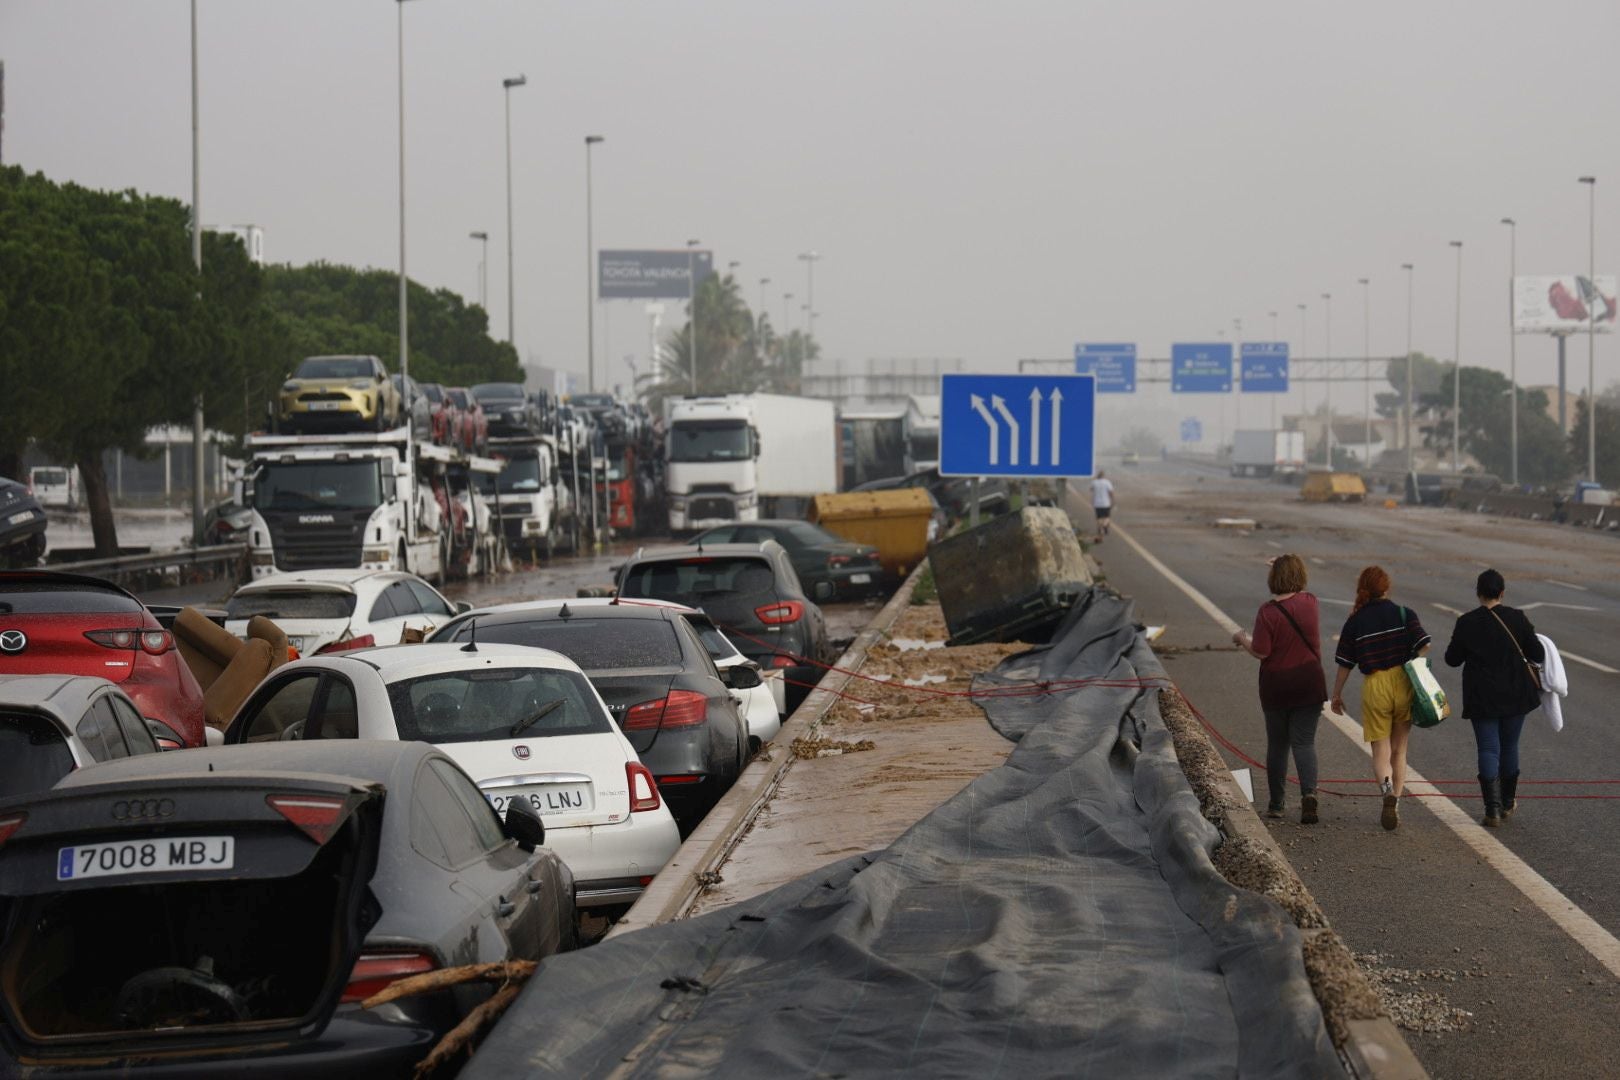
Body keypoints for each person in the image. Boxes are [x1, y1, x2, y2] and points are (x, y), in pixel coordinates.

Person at [1330, 566, 1430, 831]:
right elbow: (1424, 646)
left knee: (1380, 751)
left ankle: (1385, 791)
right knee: (1400, 750)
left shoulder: (1356, 620)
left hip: (1375, 685)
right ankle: (1395, 802)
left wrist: (1336, 694)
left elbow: (1344, 664)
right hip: (1402, 683)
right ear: (1386, 588)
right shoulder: (1403, 613)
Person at [1443, 569, 1544, 827]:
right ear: (1502, 593)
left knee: (1488, 748)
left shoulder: (1466, 622)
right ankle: (1508, 802)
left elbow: (1452, 659)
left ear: (1478, 593)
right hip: (1516, 694)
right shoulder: (1517, 618)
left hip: (1482, 696)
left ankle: (1492, 809)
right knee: (1509, 746)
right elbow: (1538, 653)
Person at [1233, 554, 1327, 824]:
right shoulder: (1310, 603)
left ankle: (1276, 804)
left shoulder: (1267, 612)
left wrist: (1241, 638)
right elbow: (1301, 589)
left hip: (1277, 687)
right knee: (1304, 742)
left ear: (1273, 579)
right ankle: (1309, 794)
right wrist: (1287, 563)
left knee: (1278, 745)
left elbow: (1261, 651)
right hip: (1309, 683)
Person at [1090, 470, 1115, 541]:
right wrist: (1113, 501)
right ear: (1103, 476)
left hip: (1097, 503)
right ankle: (1104, 526)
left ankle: (1100, 530)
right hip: (1106, 503)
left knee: (1099, 518)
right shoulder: (1107, 482)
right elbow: (1111, 492)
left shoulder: (1094, 482)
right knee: (1107, 517)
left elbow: (1091, 489)